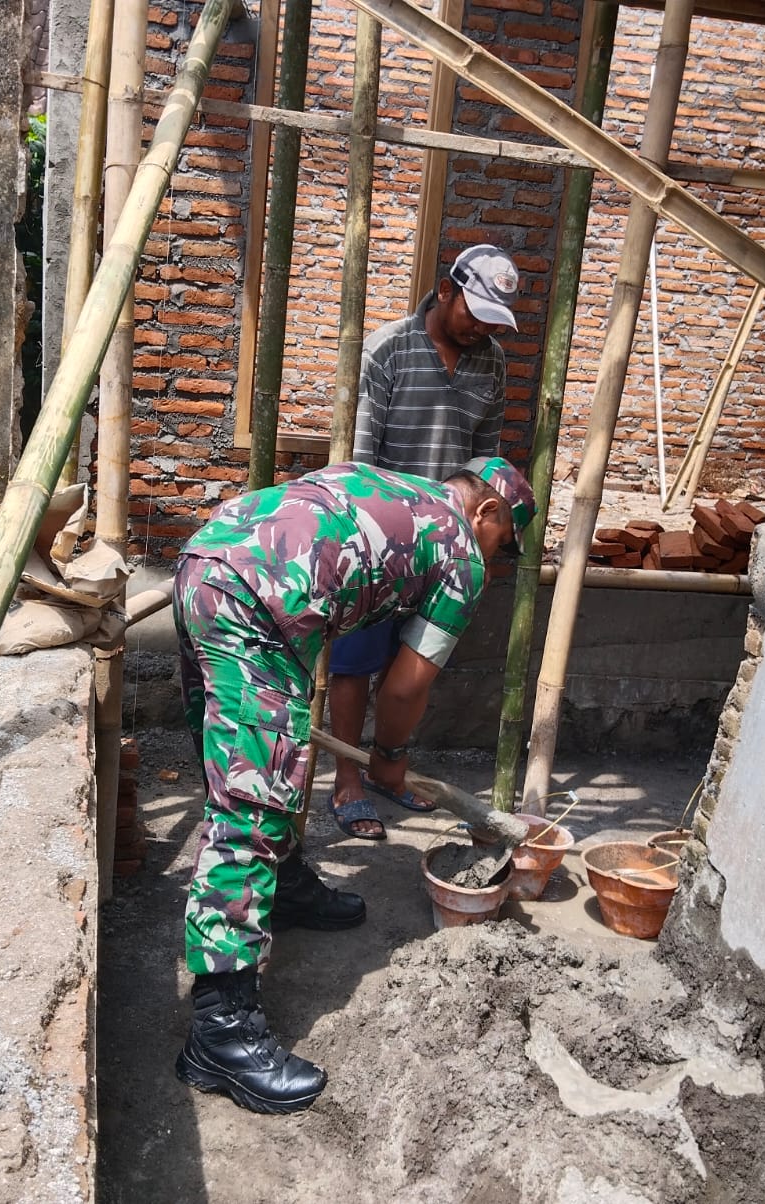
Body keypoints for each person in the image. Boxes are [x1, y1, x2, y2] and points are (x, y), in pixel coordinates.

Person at [171, 456, 537, 1114]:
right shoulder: (460, 552)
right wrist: (390, 758)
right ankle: (220, 1030)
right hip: (253, 604)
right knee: (249, 807)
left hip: (206, 563)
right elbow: (406, 684)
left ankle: (281, 887)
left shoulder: (397, 492)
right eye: (504, 541)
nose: (498, 557)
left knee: (254, 771)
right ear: (487, 513)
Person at [330, 243, 523, 839]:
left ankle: (389, 773)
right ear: (446, 290)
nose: (482, 329)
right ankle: (348, 782)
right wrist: (365, 536)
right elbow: (361, 458)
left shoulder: (491, 365)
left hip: (449, 549)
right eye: (476, 313)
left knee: (409, 667)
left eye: (495, 321)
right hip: (379, 539)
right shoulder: (388, 349)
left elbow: (485, 461)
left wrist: (480, 550)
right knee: (355, 663)